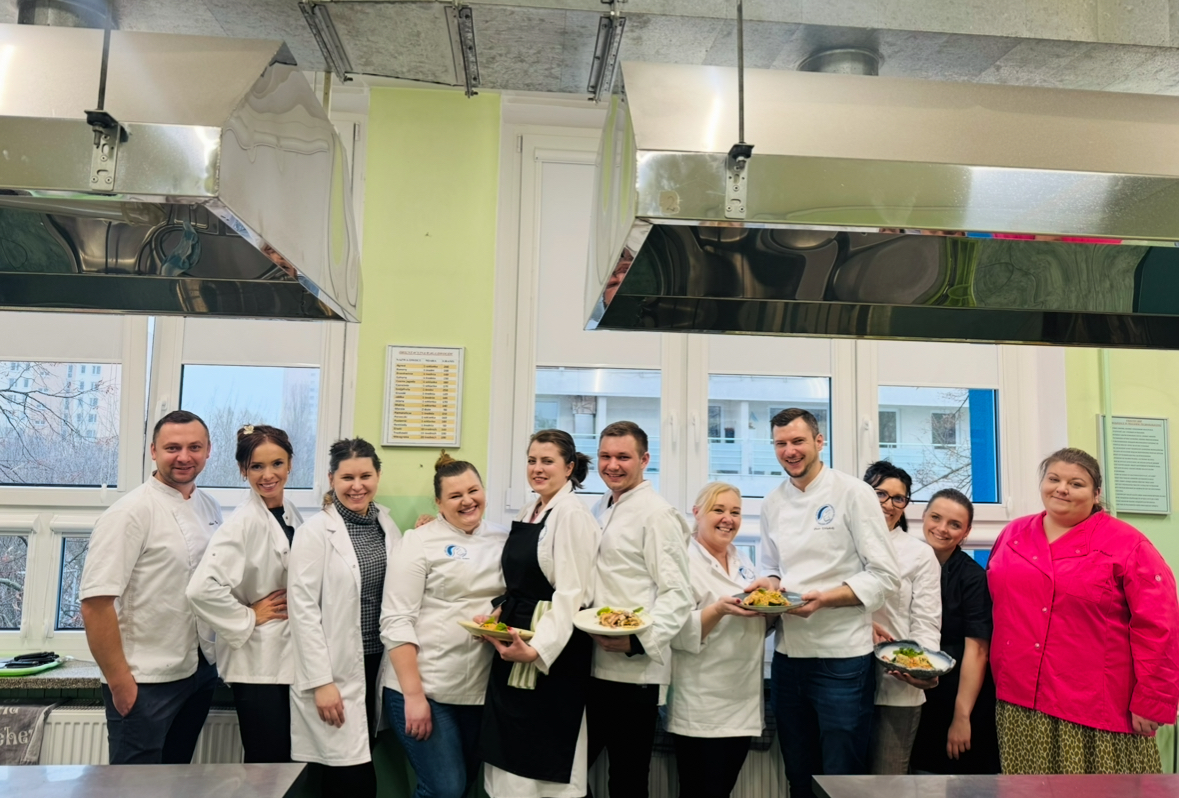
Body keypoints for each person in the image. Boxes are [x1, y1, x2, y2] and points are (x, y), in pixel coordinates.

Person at [988, 448, 1179, 774]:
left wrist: (1152, 700)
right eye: (1054, 479)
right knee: (1028, 790)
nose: (1062, 489)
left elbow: (1160, 625)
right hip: (1021, 701)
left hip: (1097, 707)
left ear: (1096, 493)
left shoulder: (1127, 545)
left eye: (1076, 483)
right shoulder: (1012, 536)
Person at [746, 408, 900, 798]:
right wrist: (768, 586)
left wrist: (825, 599)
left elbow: (885, 576)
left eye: (798, 441)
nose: (789, 451)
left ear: (819, 441)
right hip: (788, 658)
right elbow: (772, 569)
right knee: (798, 774)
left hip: (842, 660)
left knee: (841, 779)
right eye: (780, 443)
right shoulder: (772, 503)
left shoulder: (853, 493)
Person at [79, 410, 223, 765]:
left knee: (175, 779)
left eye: (194, 447)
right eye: (172, 448)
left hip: (198, 671)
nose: (184, 457)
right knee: (134, 786)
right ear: (154, 451)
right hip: (144, 680)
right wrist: (119, 681)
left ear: (208, 451)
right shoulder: (129, 513)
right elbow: (96, 605)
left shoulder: (210, 508)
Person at [481, 430, 601, 798]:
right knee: (510, 758)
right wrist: (497, 613)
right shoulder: (531, 509)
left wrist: (537, 651)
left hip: (551, 653)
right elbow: (520, 583)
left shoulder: (572, 514)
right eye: (532, 460)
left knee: (543, 763)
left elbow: (571, 594)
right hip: (515, 642)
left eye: (547, 461)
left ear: (569, 468)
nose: (537, 468)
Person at [381, 453, 508, 798]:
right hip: (426, 687)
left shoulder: (504, 538)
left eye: (473, 491)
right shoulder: (418, 541)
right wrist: (414, 696)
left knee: (464, 786)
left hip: (481, 689)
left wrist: (500, 613)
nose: (467, 501)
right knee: (445, 789)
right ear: (438, 503)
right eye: (455, 496)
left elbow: (517, 595)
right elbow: (396, 620)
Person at [288, 438, 402, 797]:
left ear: (378, 476)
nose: (357, 486)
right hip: (335, 669)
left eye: (365, 476)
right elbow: (303, 611)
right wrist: (321, 682)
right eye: (347, 477)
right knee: (350, 780)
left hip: (376, 664)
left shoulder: (386, 524)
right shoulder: (314, 533)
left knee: (359, 763)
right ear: (331, 479)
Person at [587, 421, 693, 798]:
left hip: (635, 673)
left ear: (645, 460)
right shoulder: (601, 506)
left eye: (623, 457)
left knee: (627, 780)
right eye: (605, 456)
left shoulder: (657, 514)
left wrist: (637, 642)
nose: (612, 465)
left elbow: (678, 593)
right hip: (593, 665)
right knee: (569, 772)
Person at [187, 424, 303, 763]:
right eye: (256, 466)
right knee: (267, 765)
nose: (268, 475)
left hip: (284, 658)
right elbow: (201, 589)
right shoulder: (243, 522)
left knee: (285, 763)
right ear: (243, 470)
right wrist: (250, 615)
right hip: (258, 664)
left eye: (277, 464)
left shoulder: (288, 512)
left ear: (290, 464)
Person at [666, 482, 764, 798]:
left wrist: (773, 608)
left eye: (735, 512)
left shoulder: (743, 561)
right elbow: (674, 632)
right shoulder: (682, 560)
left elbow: (756, 622)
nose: (728, 519)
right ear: (697, 513)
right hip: (701, 705)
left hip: (742, 702)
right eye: (718, 510)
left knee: (721, 791)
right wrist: (718, 610)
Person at [909, 489, 1000, 774]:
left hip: (959, 696)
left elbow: (978, 651)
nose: (942, 529)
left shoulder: (973, 578)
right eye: (936, 517)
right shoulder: (905, 564)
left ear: (966, 532)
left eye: (955, 524)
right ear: (924, 516)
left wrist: (961, 717)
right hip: (913, 693)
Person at [862, 461, 941, 775]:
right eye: (880, 494)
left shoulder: (919, 554)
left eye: (898, 498)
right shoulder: (844, 544)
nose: (889, 504)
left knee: (887, 783)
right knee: (839, 782)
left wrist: (922, 668)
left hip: (897, 685)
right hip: (841, 679)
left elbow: (926, 619)